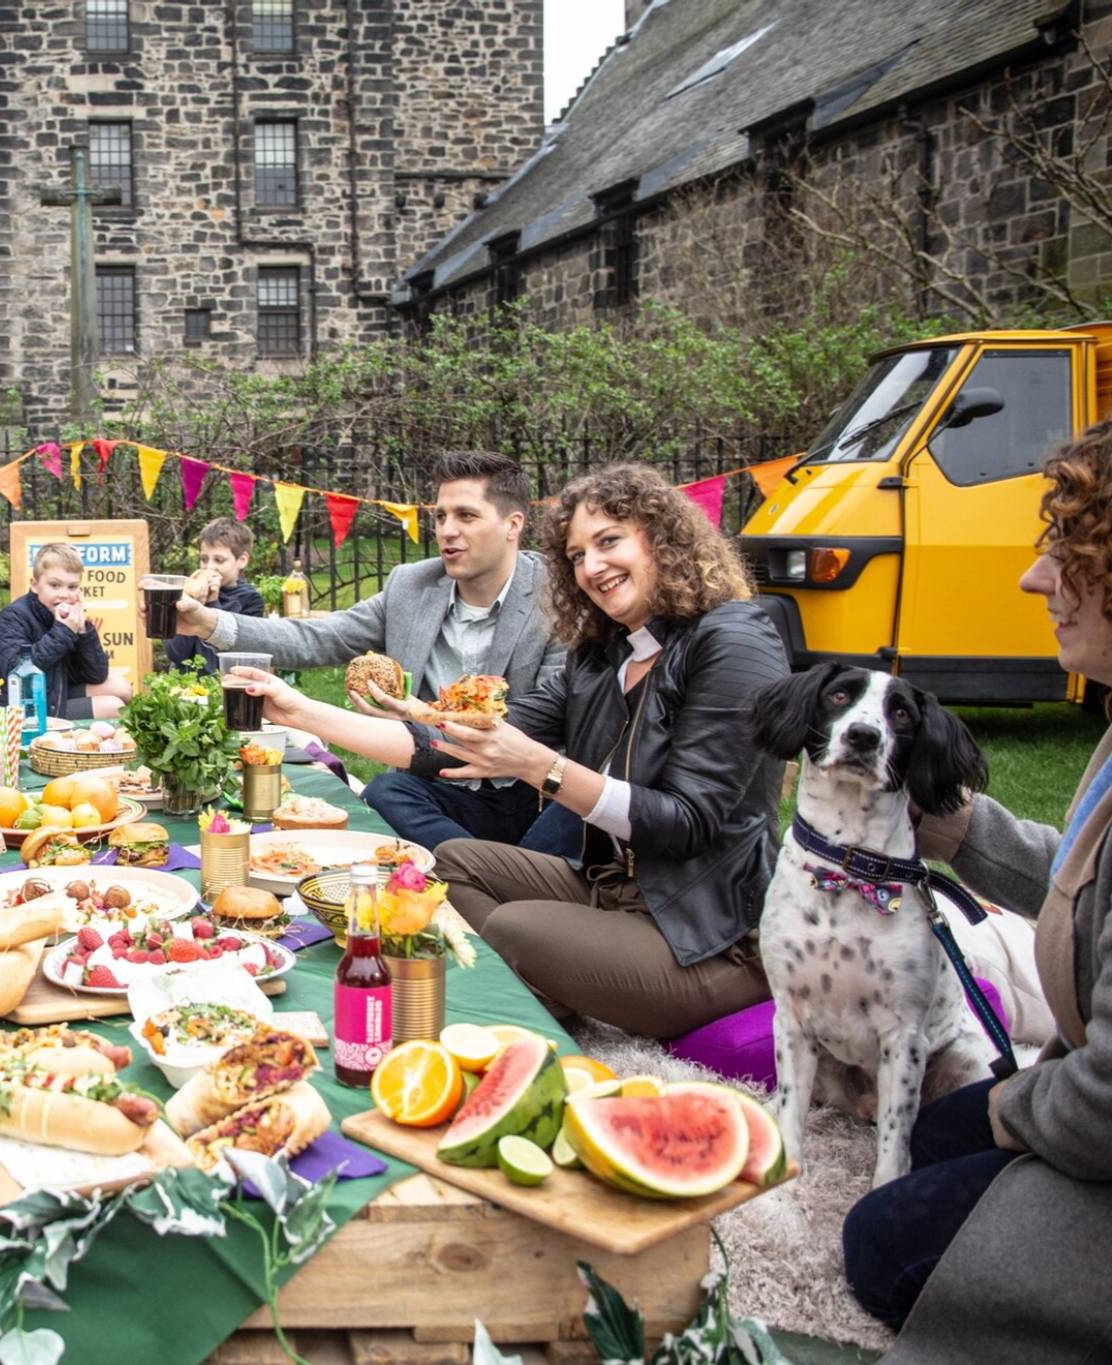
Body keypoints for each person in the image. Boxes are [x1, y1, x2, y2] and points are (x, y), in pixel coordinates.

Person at [229, 463, 788, 1038]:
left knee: (515, 929)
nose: (592, 567)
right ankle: (550, 991)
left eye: (609, 542)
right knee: (445, 865)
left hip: (708, 934)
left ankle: (526, 986)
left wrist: (539, 768)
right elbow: (457, 743)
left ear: (663, 538)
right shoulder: (601, 654)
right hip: (611, 889)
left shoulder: (733, 639)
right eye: (576, 555)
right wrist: (298, 709)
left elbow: (688, 822)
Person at [839, 422, 1112, 1359]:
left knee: (879, 1245)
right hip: (1079, 1081)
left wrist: (1018, 1111)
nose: (1036, 580)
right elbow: (1084, 880)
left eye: (1066, 556)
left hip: (1101, 1106)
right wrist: (954, 828)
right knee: (928, 1130)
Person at [174, 451, 574, 855]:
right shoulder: (411, 586)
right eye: (440, 517)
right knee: (386, 793)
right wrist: (206, 622)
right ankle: (489, 871)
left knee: (566, 819)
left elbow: (542, 723)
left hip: (523, 790)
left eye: (466, 516)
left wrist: (420, 714)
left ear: (513, 525)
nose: (447, 531)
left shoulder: (554, 597)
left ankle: (480, 874)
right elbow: (319, 637)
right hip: (430, 783)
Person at [0, 543, 134, 720]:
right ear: (34, 584)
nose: (64, 594)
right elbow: (19, 671)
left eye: (72, 587)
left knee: (122, 687)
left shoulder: (68, 617)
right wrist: (63, 631)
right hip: (22, 706)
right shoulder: (14, 616)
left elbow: (97, 675)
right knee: (114, 707)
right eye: (55, 585)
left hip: (56, 691)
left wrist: (83, 630)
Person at [164, 517, 267, 674]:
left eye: (219, 560)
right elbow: (176, 653)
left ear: (242, 560)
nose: (210, 567)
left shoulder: (250, 600)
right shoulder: (187, 594)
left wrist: (212, 604)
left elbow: (219, 664)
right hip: (184, 685)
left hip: (222, 685)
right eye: (204, 559)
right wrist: (192, 603)